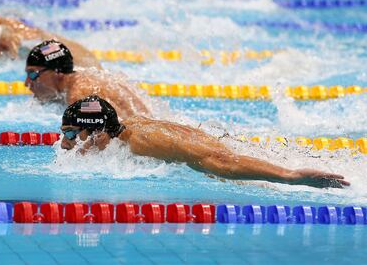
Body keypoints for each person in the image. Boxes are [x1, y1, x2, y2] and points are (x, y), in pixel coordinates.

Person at [59, 95, 350, 189]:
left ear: (96, 131)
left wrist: (291, 176)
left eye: (71, 135)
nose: (65, 144)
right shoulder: (123, 131)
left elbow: (220, 161)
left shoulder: (143, 141)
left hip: (238, 172)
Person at [0, 0, 101, 68]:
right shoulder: (10, 29)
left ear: (2, 46)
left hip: (85, 66)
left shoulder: (29, 45)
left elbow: (63, 63)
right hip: (85, 58)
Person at [24, 40, 151, 118]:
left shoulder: (78, 96)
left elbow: (115, 131)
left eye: (32, 74)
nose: (27, 83)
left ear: (58, 72)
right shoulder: (82, 76)